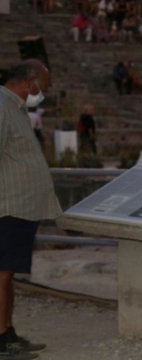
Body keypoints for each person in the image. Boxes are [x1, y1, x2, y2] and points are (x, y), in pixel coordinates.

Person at [1, 60, 59, 359]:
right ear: (29, 82)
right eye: (43, 87)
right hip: (8, 207)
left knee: (6, 274)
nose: (43, 93)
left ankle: (7, 332)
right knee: (1, 274)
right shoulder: (2, 106)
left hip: (20, 207)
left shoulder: (15, 108)